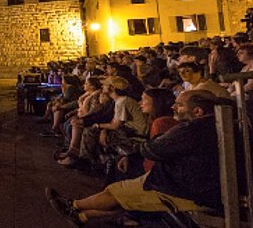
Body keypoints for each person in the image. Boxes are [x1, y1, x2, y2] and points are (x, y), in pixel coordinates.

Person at [45, 90, 226, 226]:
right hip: (184, 180)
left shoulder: (189, 130)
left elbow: (153, 149)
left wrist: (139, 150)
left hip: (181, 188)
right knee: (123, 193)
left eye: (180, 105)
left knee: (117, 191)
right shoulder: (209, 126)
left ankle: (74, 205)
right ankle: (81, 215)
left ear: (198, 112)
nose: (174, 107)